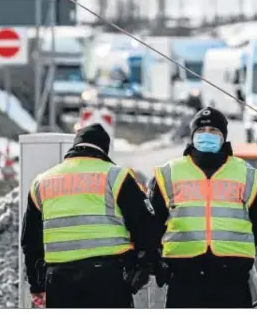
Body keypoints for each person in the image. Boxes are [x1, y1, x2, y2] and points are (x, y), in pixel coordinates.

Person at [20, 123, 160, 308]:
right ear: (104, 149)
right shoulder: (115, 176)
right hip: (108, 278)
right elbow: (145, 227)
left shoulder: (41, 182)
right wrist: (143, 266)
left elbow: (30, 242)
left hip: (59, 280)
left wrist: (37, 285)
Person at [147, 106, 257, 308]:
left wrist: (239, 247)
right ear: (192, 135)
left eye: (214, 131)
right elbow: (151, 222)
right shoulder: (168, 173)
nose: (207, 135)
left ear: (224, 136)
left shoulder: (247, 174)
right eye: (201, 131)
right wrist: (159, 259)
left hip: (232, 276)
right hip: (184, 275)